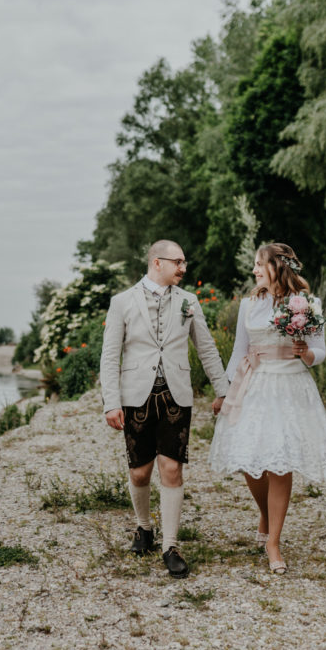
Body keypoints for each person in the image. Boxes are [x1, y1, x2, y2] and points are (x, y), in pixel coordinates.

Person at [100, 240, 229, 579]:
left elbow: (207, 349)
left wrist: (223, 390)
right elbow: (110, 356)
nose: (184, 268)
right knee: (140, 472)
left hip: (176, 395)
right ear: (157, 262)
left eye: (185, 261)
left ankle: (170, 545)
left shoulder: (189, 301)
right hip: (135, 397)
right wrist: (111, 402)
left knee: (171, 469)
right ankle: (144, 527)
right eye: (179, 262)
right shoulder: (122, 302)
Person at [208, 242, 326, 574]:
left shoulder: (308, 304)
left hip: (291, 385)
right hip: (256, 385)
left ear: (277, 267)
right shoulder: (249, 305)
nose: (254, 270)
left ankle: (273, 542)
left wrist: (305, 352)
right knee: (251, 462)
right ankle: (265, 510)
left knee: (281, 463)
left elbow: (319, 352)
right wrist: (224, 391)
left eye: (258, 264)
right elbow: (239, 351)